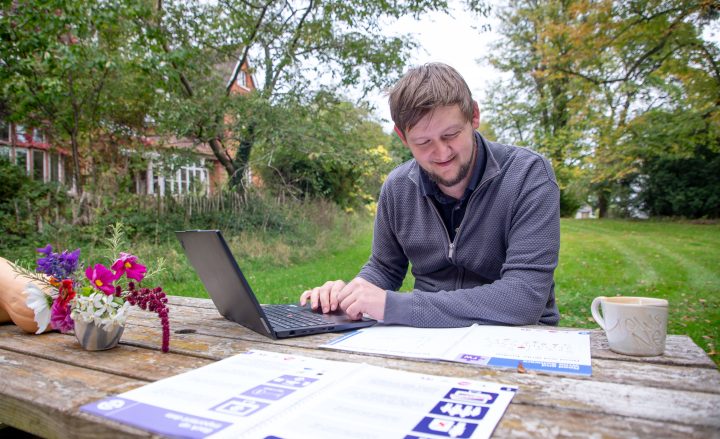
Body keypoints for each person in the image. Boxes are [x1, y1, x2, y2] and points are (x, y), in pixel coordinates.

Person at [299, 62, 560, 327]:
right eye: (423, 143)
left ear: (474, 115)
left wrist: (396, 306)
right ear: (403, 137)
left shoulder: (527, 174)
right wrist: (349, 295)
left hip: (517, 338)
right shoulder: (398, 188)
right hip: (427, 337)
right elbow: (384, 268)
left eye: (451, 134)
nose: (442, 153)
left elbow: (524, 296)